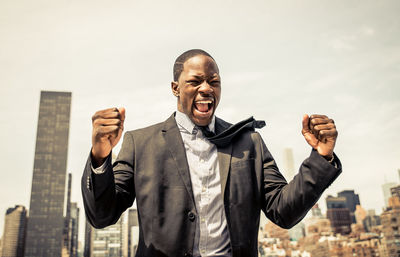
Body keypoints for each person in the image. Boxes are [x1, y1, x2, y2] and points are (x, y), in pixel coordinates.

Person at [82, 49, 341, 257]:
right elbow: (102, 215)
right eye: (195, 81)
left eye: (214, 82)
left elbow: (283, 212)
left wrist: (321, 157)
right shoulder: (140, 143)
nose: (206, 88)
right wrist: (100, 157)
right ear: (175, 88)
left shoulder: (249, 142)